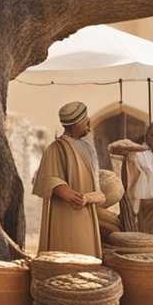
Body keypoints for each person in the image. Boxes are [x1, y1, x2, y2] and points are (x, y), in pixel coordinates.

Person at [31, 101, 102, 258]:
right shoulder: (55, 149)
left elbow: (97, 188)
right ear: (77, 123)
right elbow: (45, 179)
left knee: (87, 260)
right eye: (86, 119)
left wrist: (88, 198)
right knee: (67, 259)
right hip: (65, 215)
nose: (89, 122)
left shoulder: (89, 148)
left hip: (87, 212)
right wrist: (66, 192)